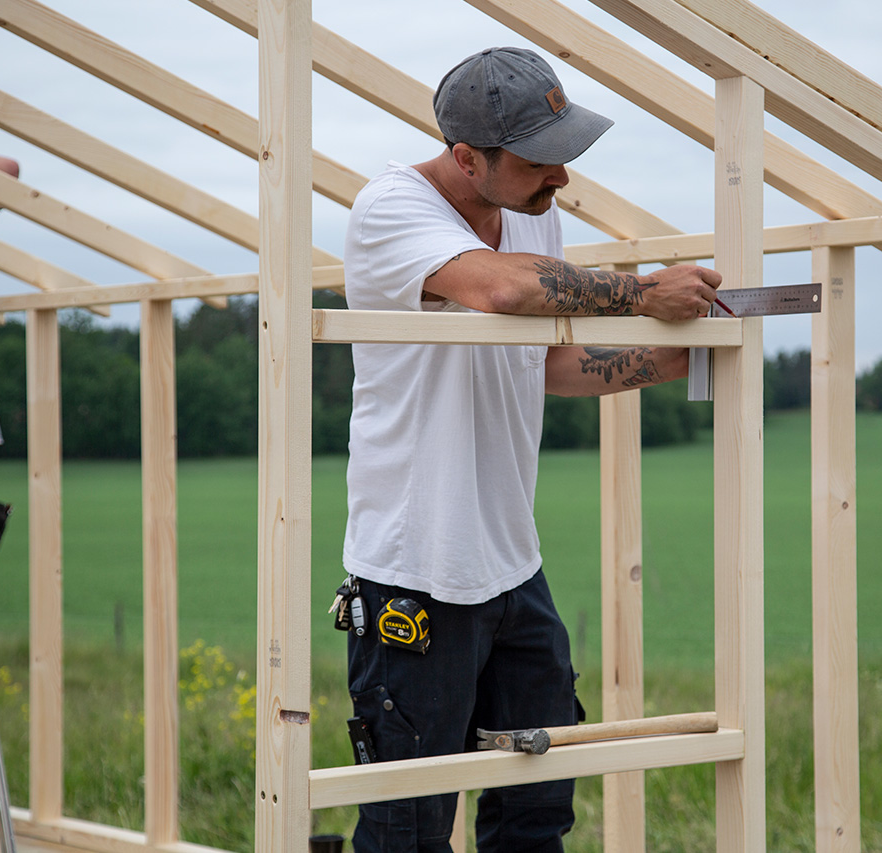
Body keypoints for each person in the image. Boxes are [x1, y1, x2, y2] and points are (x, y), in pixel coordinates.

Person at [340, 47, 722, 852]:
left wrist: (676, 356)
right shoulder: (390, 208)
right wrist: (641, 291)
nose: (561, 181)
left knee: (536, 810)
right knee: (408, 826)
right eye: (540, 163)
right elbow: (505, 292)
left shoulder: (530, 210)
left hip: (512, 564)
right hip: (418, 569)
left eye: (564, 157)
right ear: (466, 157)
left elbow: (541, 359)